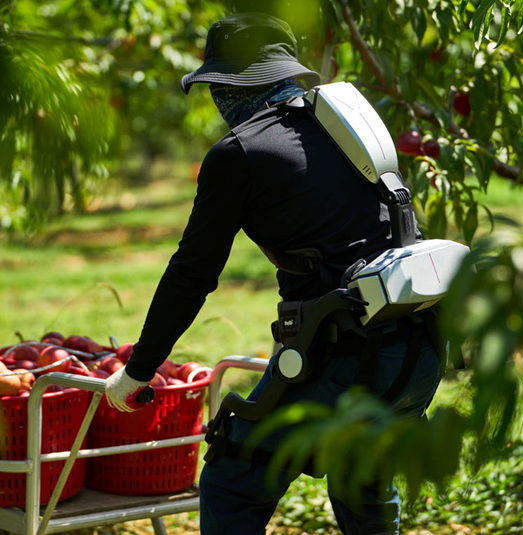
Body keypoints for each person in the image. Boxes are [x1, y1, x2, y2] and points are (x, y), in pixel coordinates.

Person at [105, 12, 441, 535]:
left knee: (232, 482)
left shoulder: (238, 154)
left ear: (232, 85)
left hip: (345, 356)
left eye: (217, 87)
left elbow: (192, 273)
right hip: (418, 352)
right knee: (364, 485)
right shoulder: (352, 125)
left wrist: (139, 371)